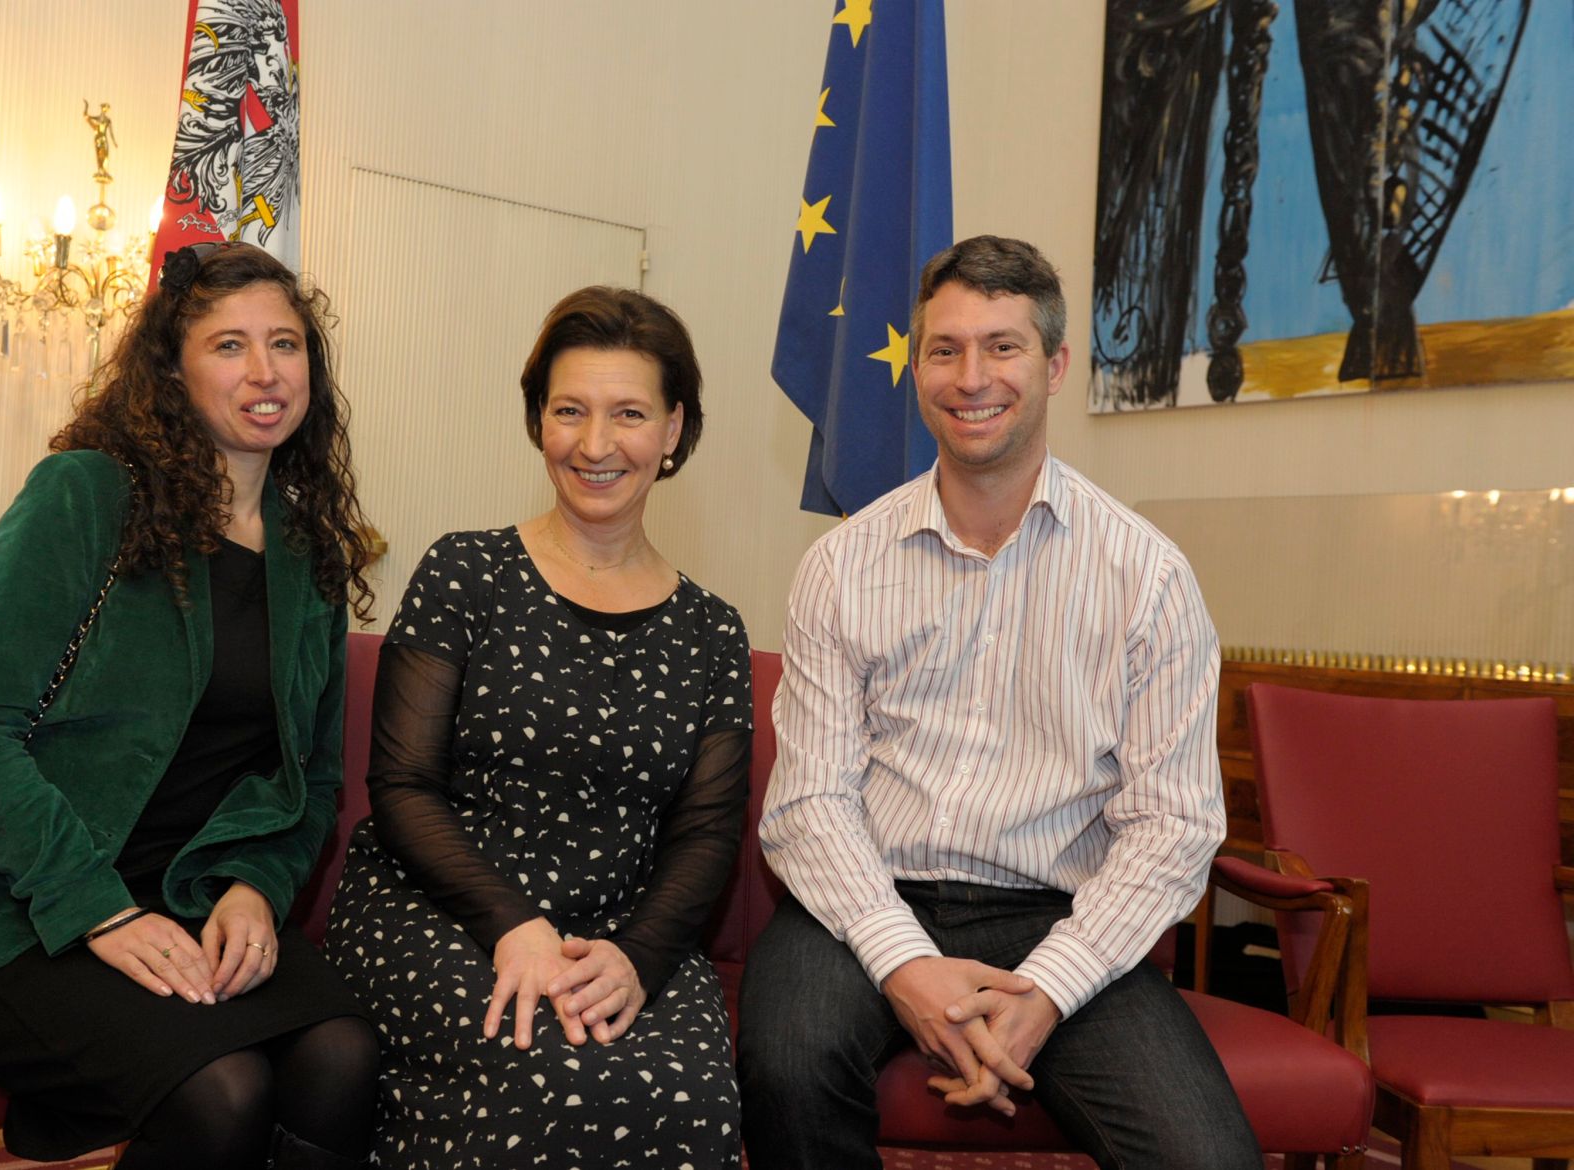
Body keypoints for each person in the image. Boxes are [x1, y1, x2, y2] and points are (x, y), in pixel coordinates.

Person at [737, 236, 1261, 1169]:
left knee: (1205, 1155)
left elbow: (1175, 827)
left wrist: (1047, 992)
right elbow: (811, 804)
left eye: (1002, 346)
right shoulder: (841, 566)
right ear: (916, 366)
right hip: (864, 894)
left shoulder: (1146, 577)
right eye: (945, 349)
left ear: (1055, 365)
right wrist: (904, 962)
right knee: (786, 1066)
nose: (971, 376)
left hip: (1061, 910)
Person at [0, 243, 380, 1169]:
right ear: (171, 366)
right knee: (224, 1090)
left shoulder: (309, 546)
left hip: (197, 903)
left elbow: (311, 779)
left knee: (342, 1060)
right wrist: (100, 911)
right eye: (229, 345)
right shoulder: (84, 495)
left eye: (286, 345)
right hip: (26, 909)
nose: (264, 372)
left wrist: (259, 887)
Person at [325, 286, 751, 1169]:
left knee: (691, 1097)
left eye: (629, 413)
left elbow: (707, 831)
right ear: (538, 421)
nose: (596, 445)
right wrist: (513, 922)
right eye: (570, 411)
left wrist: (634, 958)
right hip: (441, 907)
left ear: (673, 430)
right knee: (551, 1074)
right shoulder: (464, 572)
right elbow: (402, 785)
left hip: (625, 932)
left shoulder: (713, 631)